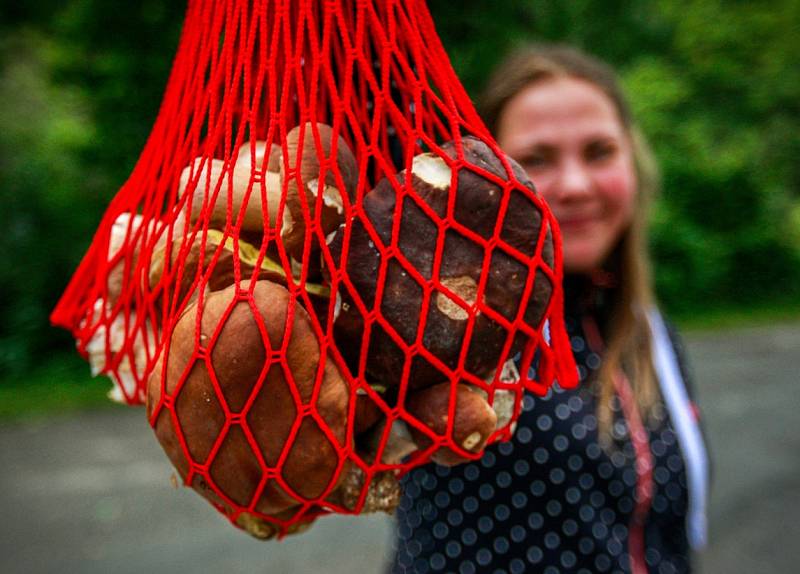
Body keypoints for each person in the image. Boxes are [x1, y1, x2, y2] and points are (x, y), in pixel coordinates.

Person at [389, 45, 710, 574]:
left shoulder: (650, 332)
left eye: (599, 151)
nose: (576, 185)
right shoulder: (441, 325)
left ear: (634, 161)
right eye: (536, 158)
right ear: (486, 177)